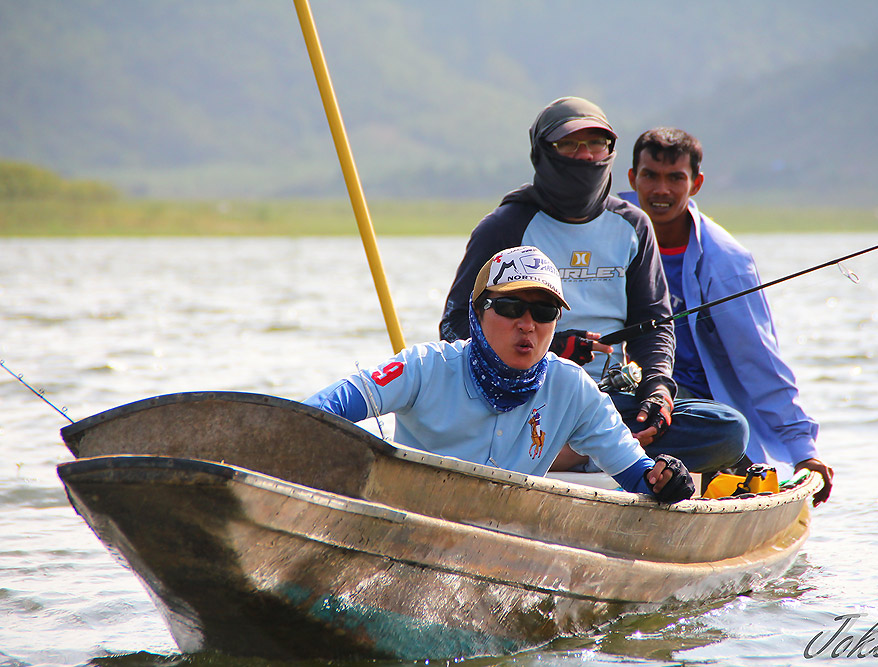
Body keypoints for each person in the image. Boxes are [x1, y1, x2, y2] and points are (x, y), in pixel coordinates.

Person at [439, 97, 747, 474]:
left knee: (728, 431)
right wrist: (548, 346)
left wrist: (657, 389)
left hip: (610, 400)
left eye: (596, 144)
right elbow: (455, 327)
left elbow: (655, 324)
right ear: (542, 152)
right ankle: (598, 449)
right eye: (569, 145)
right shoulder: (505, 227)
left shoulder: (633, 226)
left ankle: (574, 449)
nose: (585, 156)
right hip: (526, 397)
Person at [306, 245, 695, 504]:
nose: (527, 325)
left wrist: (666, 477)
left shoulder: (573, 388)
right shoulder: (424, 366)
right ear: (476, 314)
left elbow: (637, 474)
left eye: (544, 314)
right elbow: (323, 409)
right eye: (510, 307)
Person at [622, 127, 833, 505]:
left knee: (725, 431)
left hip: (696, 408)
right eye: (650, 176)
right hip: (625, 389)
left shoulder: (725, 262)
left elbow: (759, 361)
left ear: (696, 184)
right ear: (631, 179)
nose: (661, 191)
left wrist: (803, 449)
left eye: (676, 178)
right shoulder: (608, 231)